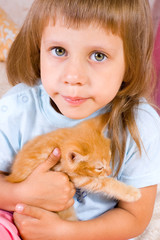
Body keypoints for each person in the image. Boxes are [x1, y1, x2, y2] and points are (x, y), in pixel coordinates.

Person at [0, 0, 160, 239]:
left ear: (130, 62)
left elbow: (135, 217)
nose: (73, 77)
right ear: (38, 49)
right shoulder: (16, 109)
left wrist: (65, 232)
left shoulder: (139, 123)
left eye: (98, 55)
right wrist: (21, 193)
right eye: (59, 51)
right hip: (18, 220)